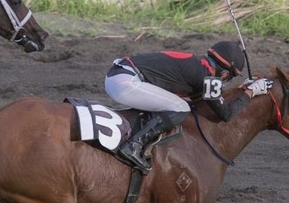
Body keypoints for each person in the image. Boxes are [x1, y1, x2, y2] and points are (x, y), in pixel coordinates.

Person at [104, 40, 273, 173]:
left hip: (121, 74)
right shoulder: (208, 76)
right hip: (124, 82)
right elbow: (226, 114)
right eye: (230, 78)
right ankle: (133, 146)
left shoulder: (200, 65)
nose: (226, 81)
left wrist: (243, 88)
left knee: (176, 104)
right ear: (225, 73)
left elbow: (210, 100)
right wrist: (250, 92)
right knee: (181, 108)